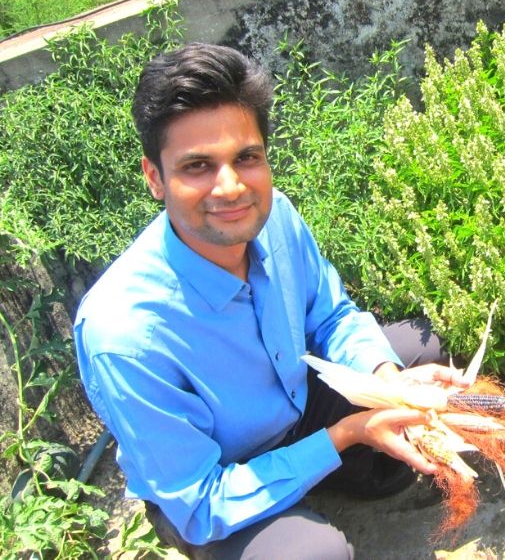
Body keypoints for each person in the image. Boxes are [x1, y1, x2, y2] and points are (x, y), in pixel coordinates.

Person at [73, 42, 466, 558]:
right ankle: (300, 499)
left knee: (416, 355)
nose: (231, 186)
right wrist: (346, 434)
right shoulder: (123, 336)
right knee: (313, 554)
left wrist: (387, 385)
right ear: (155, 178)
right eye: (197, 166)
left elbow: (332, 314)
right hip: (214, 479)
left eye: (246, 157)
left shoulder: (274, 213)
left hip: (296, 407)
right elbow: (200, 501)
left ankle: (327, 477)